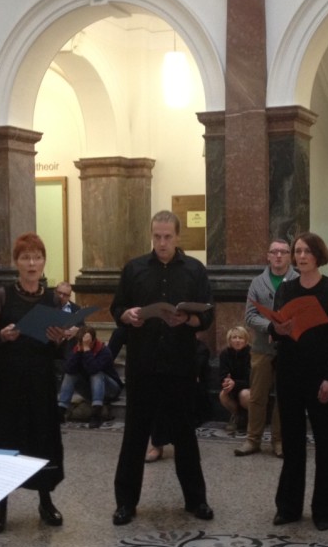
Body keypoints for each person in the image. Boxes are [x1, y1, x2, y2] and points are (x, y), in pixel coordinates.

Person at [109, 210, 215, 525]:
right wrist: (126, 316)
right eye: (157, 236)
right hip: (143, 365)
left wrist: (190, 318)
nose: (162, 243)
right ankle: (125, 503)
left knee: (185, 437)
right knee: (134, 436)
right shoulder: (135, 269)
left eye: (168, 237)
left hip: (180, 366)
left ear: (178, 236)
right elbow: (117, 307)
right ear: (151, 235)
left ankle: (196, 501)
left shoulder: (194, 270)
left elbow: (207, 314)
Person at [0, 233, 69, 533]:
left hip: (39, 378)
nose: (32, 263)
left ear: (44, 261)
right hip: (7, 379)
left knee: (41, 438)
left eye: (37, 257)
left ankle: (45, 501)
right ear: (16, 262)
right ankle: (1, 505)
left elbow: (57, 347)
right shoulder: (3, 295)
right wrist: (2, 335)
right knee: (4, 439)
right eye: (25, 257)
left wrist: (59, 340)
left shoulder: (52, 298)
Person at [271, 232, 328, 531]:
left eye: (307, 251)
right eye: (297, 251)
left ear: (318, 255)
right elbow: (275, 332)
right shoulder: (286, 289)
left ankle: (326, 510)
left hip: (320, 376)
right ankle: (288, 507)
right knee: (292, 444)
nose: (301, 256)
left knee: (325, 444)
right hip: (289, 373)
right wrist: (278, 328)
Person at [238, 237, 298, 457]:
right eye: (274, 252)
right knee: (257, 397)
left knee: (283, 397)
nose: (279, 255)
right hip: (262, 348)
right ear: (268, 256)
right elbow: (250, 316)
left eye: (283, 251)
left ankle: (279, 441)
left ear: (289, 256)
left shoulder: (298, 280)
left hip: (289, 351)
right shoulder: (257, 283)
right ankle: (252, 439)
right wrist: (272, 327)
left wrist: (287, 328)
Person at [57, 325, 122, 428]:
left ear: (93, 341)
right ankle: (61, 411)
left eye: (86, 343)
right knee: (70, 374)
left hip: (110, 390)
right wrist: (78, 352)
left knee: (97, 374)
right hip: (90, 389)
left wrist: (87, 350)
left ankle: (96, 414)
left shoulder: (104, 351)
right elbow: (68, 369)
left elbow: (93, 369)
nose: (83, 345)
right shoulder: (77, 349)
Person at [219, 325, 251, 434]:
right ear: (229, 340)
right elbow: (222, 374)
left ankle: (251, 419)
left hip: (248, 387)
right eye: (234, 337)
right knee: (223, 394)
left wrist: (235, 383)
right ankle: (236, 416)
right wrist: (226, 381)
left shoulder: (251, 353)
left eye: (240, 337)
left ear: (245, 339)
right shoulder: (225, 354)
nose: (237, 340)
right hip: (232, 386)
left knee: (244, 394)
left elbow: (251, 379)